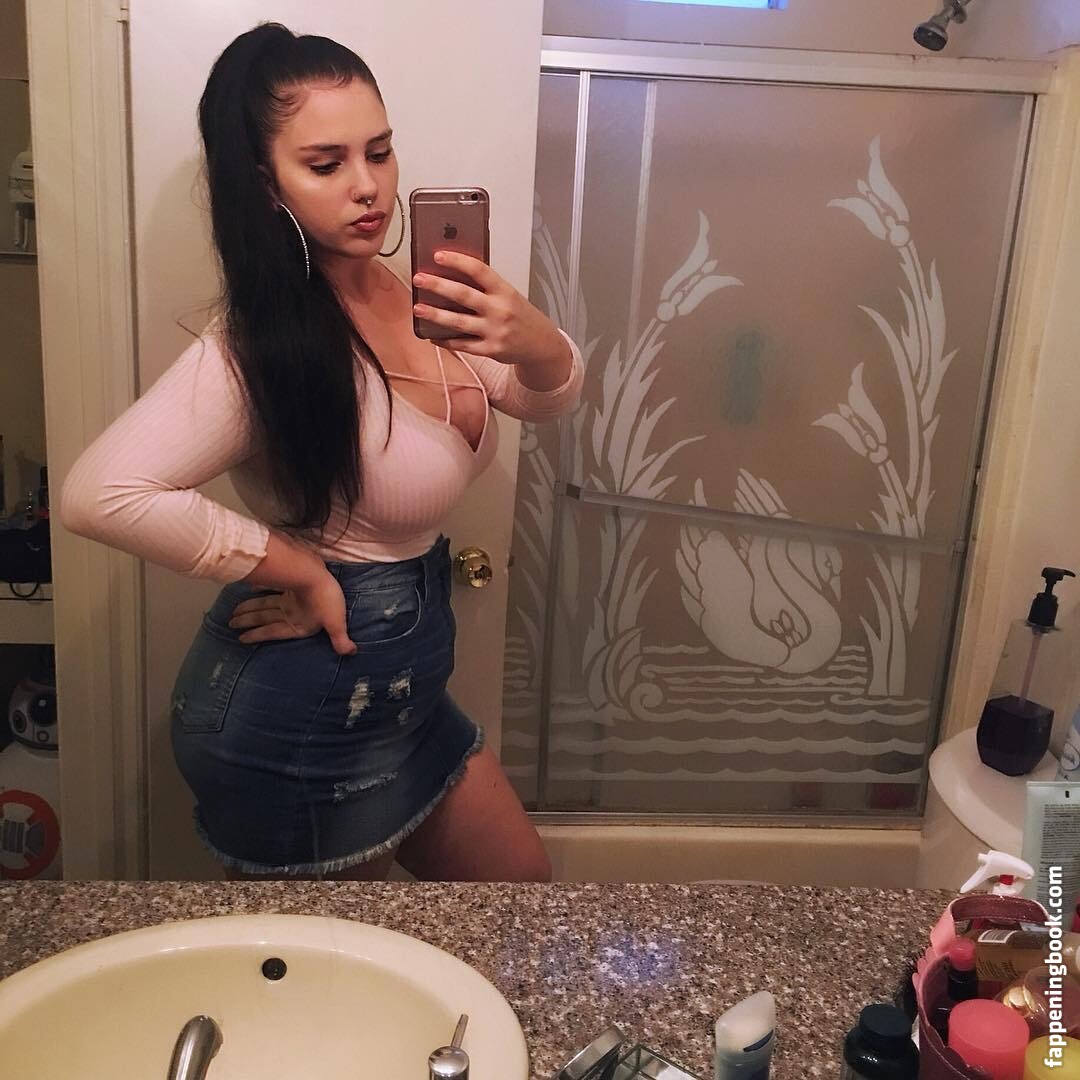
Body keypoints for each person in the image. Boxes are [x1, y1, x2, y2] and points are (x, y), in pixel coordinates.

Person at [59, 23, 583, 882]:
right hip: (299, 715)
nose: (368, 187)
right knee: (329, 965)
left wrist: (538, 344)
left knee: (520, 893)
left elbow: (541, 399)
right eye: (326, 163)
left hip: (408, 697)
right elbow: (99, 492)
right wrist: (295, 567)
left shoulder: (421, 294)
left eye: (379, 151)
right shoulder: (257, 348)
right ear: (267, 185)